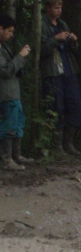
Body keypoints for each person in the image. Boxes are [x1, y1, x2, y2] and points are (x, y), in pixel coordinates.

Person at [41, 0, 81, 155]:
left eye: (60, 7)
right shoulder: (42, 24)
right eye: (56, 7)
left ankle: (69, 143)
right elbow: (40, 49)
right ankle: (57, 146)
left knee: (75, 104)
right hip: (53, 71)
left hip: (69, 69)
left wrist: (73, 41)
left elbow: (74, 49)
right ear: (48, 8)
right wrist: (55, 38)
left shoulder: (63, 24)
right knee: (56, 106)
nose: (59, 10)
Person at [0, 14, 32, 170]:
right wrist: (20, 56)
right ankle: (7, 160)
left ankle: (16, 155)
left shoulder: (3, 45)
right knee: (9, 125)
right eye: (9, 31)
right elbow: (5, 71)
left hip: (13, 92)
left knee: (18, 122)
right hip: (6, 93)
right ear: (1, 29)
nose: (11, 34)